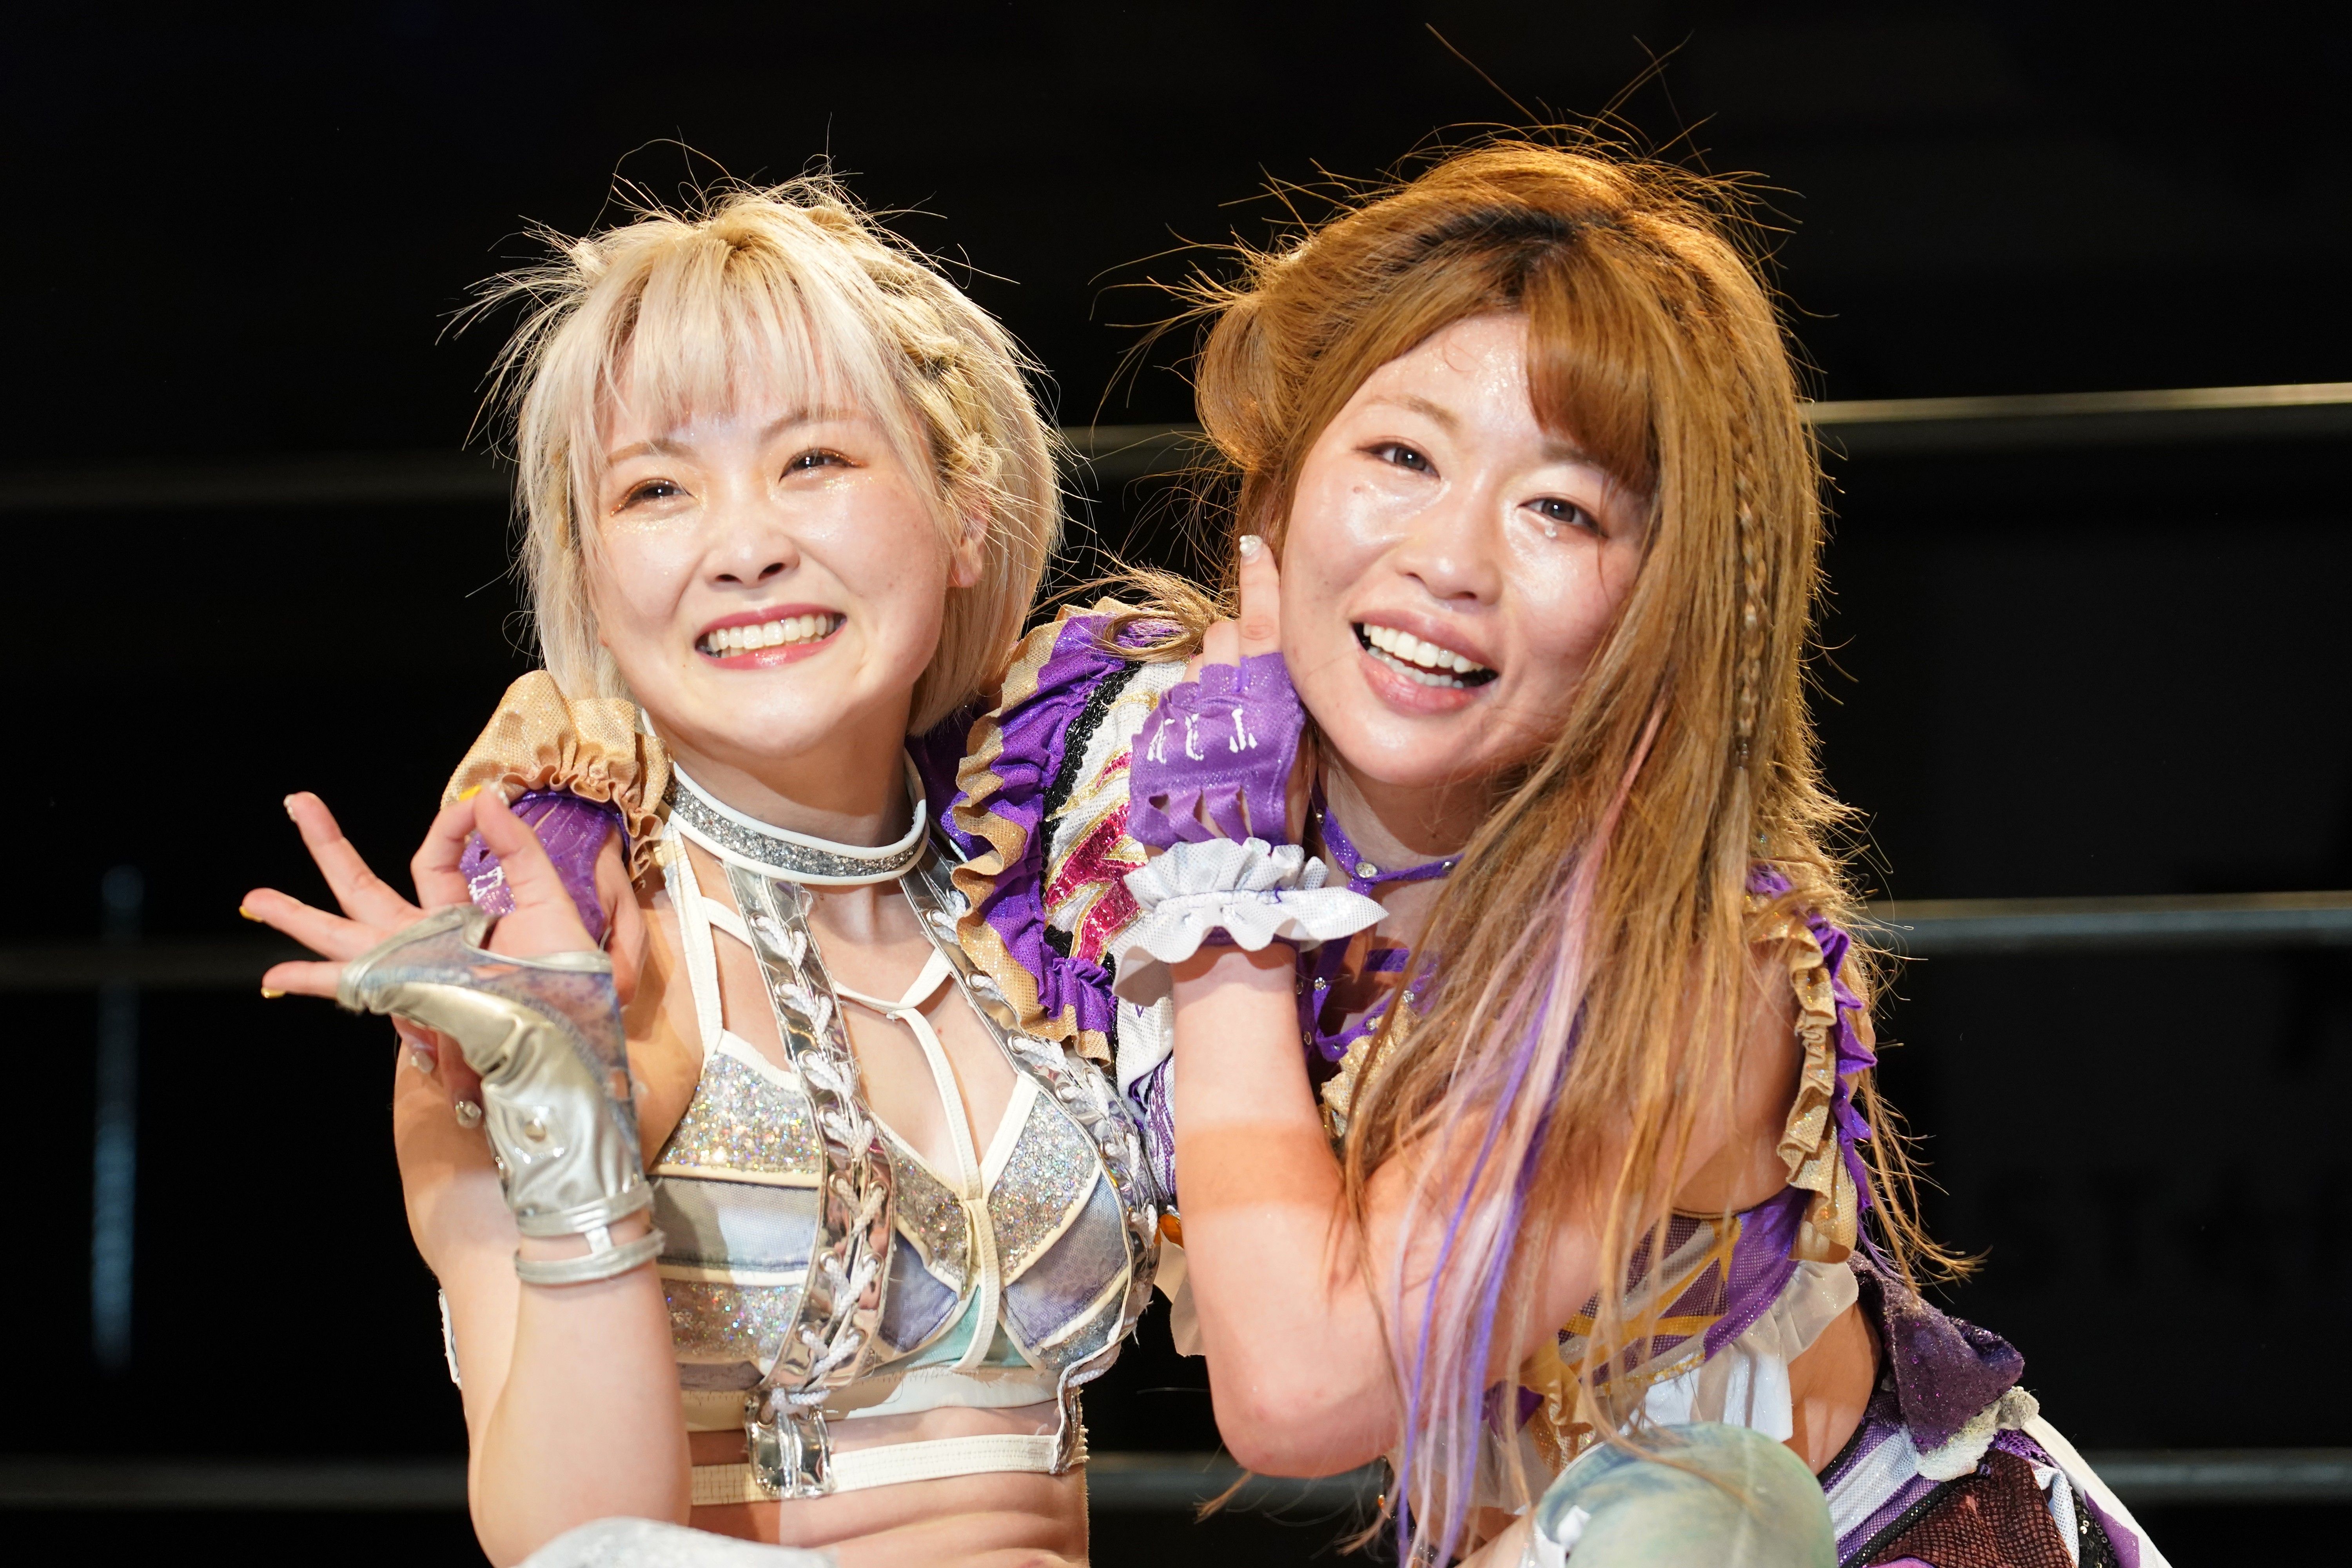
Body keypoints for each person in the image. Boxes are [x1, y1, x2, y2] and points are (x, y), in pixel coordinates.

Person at [941, 141, 2170, 1566]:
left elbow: (1302, 1389)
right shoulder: (1108, 740)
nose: (1450, 560)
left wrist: (1219, 904)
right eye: (1401, 456)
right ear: (1278, 484)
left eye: (1561, 510)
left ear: (1661, 602)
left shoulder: (1687, 966)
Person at [241, 178, 1160, 1568]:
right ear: (592, 577)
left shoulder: (1058, 890)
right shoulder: (552, 952)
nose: (746, 549)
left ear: (965, 512)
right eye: (658, 489)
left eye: (814, 461)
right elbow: (578, 1540)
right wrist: (562, 1101)